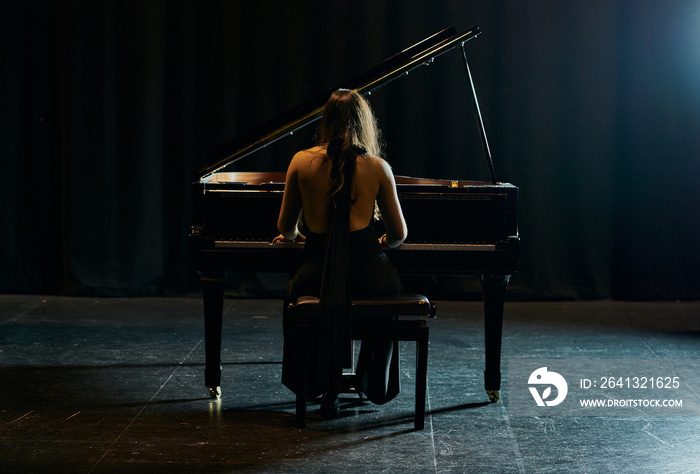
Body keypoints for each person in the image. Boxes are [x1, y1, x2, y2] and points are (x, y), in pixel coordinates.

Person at [272, 88, 407, 418]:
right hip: (368, 273)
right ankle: (371, 381)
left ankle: (315, 383)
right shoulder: (377, 167)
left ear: (326, 121)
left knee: (295, 297)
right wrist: (378, 243)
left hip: (317, 269)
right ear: (365, 122)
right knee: (387, 297)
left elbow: (285, 227)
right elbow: (399, 235)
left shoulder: (300, 162)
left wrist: (297, 237)